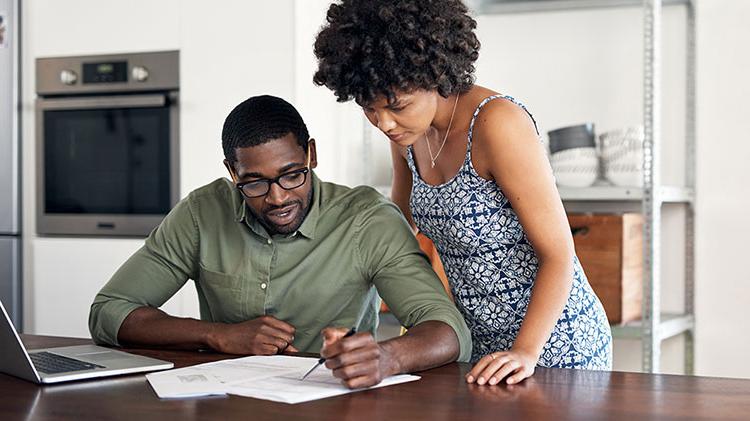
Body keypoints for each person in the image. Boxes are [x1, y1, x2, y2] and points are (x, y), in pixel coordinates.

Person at [313, 0, 613, 386]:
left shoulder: (497, 124)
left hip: (554, 343)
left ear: (436, 74)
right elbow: (397, 233)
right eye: (369, 109)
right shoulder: (408, 135)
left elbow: (559, 254)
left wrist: (526, 351)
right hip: (481, 346)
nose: (384, 123)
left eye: (396, 106)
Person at [88, 95, 471, 389]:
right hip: (227, 402)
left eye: (292, 175)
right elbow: (109, 312)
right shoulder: (203, 213)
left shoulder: (366, 219)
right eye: (254, 182)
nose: (277, 198)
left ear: (312, 155)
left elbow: (447, 330)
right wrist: (219, 335)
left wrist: (387, 357)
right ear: (231, 172)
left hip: (335, 403)